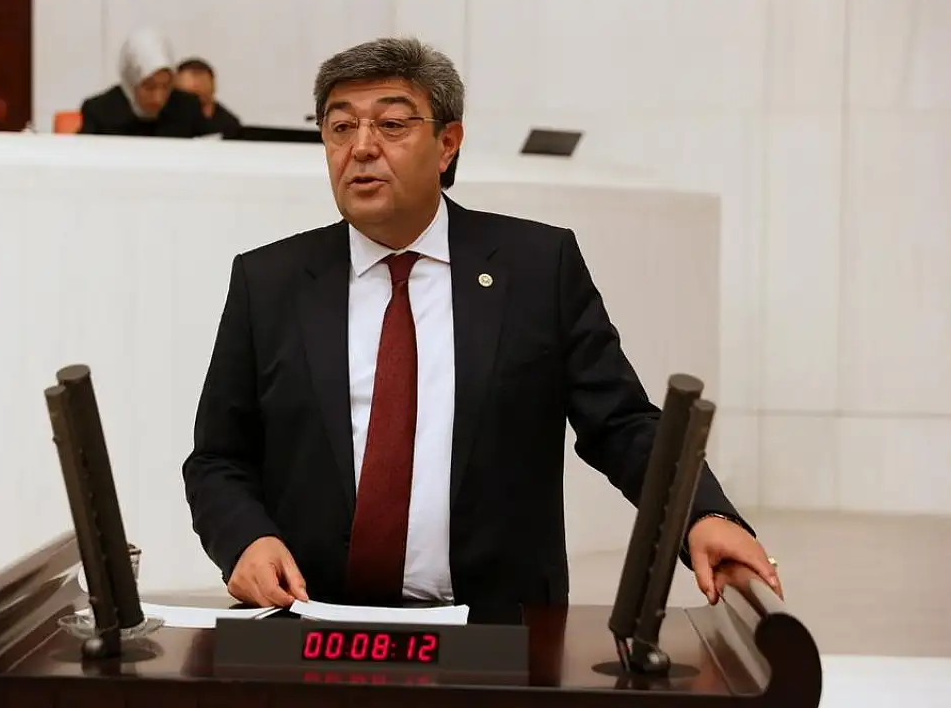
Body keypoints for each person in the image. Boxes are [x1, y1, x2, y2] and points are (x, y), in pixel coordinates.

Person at [181, 37, 781, 610]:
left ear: (447, 144)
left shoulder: (536, 269)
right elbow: (218, 459)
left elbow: (620, 424)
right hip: (315, 622)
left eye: (392, 124)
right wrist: (244, 540)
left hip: (496, 628)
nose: (361, 147)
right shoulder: (270, 282)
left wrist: (704, 514)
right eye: (341, 127)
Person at [78, 28, 211, 138]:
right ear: (131, 82)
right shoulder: (99, 112)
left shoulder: (187, 108)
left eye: (166, 87)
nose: (158, 98)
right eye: (149, 87)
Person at [173, 57, 242, 136]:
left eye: (201, 86)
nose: (192, 101)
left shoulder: (229, 124)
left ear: (213, 86)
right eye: (186, 94)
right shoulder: (167, 122)